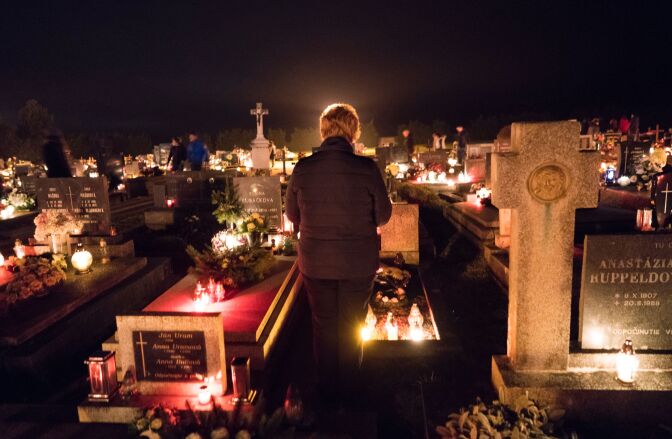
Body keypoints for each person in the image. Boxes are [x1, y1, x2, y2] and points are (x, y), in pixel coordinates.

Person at [285, 103, 392, 409]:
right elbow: (383, 215)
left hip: (317, 263)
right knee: (351, 323)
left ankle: (327, 390)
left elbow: (292, 214)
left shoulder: (303, 169)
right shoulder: (366, 168)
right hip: (357, 263)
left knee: (323, 324)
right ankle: (350, 389)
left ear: (324, 131)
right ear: (352, 131)